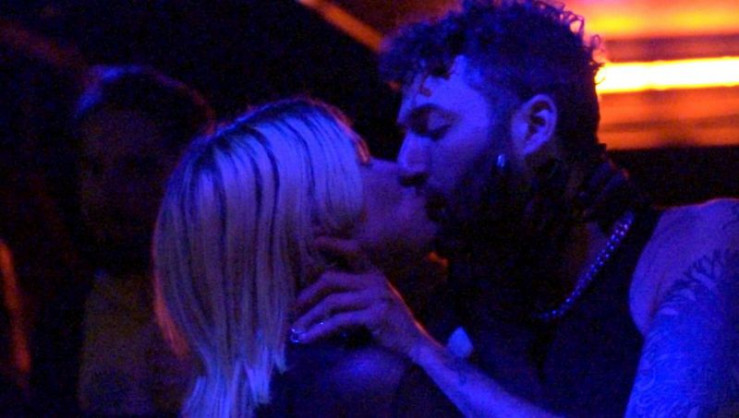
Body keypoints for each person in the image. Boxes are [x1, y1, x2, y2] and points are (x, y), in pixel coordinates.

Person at [291, 1, 739, 416]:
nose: (408, 163)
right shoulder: (471, 303)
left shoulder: (702, 241)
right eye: (405, 135)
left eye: (434, 129)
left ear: (536, 126)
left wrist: (425, 352)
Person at [153, 98, 443, 417]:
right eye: (362, 161)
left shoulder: (271, 392)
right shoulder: (370, 384)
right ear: (306, 226)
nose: (405, 170)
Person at [74, 65, 216, 416]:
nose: (106, 194)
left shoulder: (253, 316)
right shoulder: (68, 319)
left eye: (136, 169)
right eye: (94, 168)